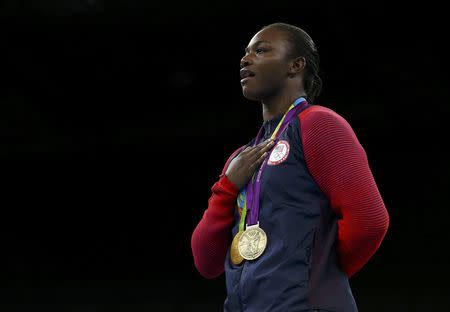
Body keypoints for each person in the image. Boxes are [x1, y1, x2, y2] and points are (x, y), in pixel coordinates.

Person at [191, 22, 389, 312]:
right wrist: (227, 188)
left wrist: (320, 276)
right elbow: (206, 262)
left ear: (295, 65)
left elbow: (370, 221)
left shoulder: (319, 125)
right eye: (246, 52)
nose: (245, 59)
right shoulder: (241, 157)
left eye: (261, 50)